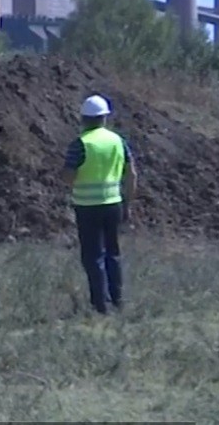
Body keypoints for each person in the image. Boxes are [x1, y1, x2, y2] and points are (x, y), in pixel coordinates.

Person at [62, 94, 137, 314]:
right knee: (112, 252)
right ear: (105, 118)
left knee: (93, 255)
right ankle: (118, 300)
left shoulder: (81, 144)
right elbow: (132, 174)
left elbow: (68, 177)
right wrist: (128, 204)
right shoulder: (118, 141)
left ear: (83, 119)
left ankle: (100, 304)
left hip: (87, 207)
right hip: (113, 204)